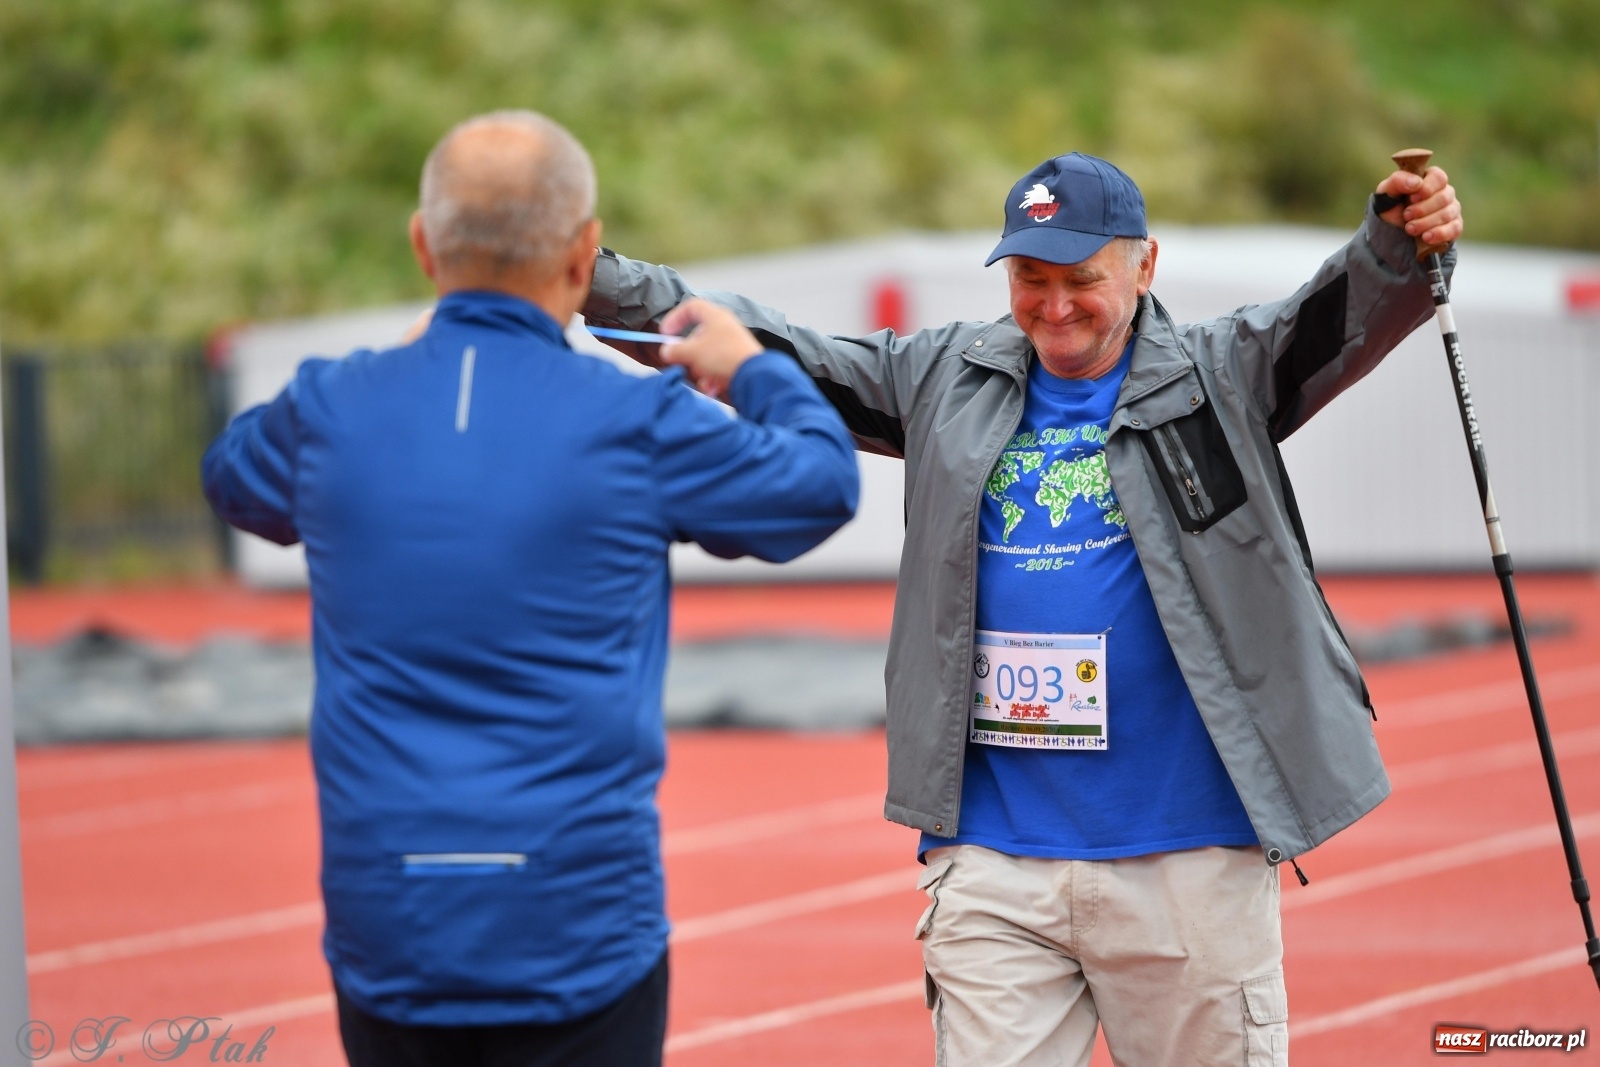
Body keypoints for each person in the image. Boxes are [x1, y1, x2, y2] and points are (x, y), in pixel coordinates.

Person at [581, 150, 1463, 1066]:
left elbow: (1341, 316)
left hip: (1190, 855)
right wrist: (594, 282)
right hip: (995, 855)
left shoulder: (1224, 372)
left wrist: (1398, 238)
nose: (1054, 306)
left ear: (1144, 265)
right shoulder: (941, 379)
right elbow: (769, 348)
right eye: (1030, 279)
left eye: (1082, 279)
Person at [200, 110, 859, 1067]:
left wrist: (404, 355)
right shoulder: (636, 419)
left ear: (425, 246)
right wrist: (756, 370)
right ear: (585, 254)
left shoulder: (330, 408)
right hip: (578, 919)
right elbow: (820, 486)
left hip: (390, 920)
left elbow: (232, 472)